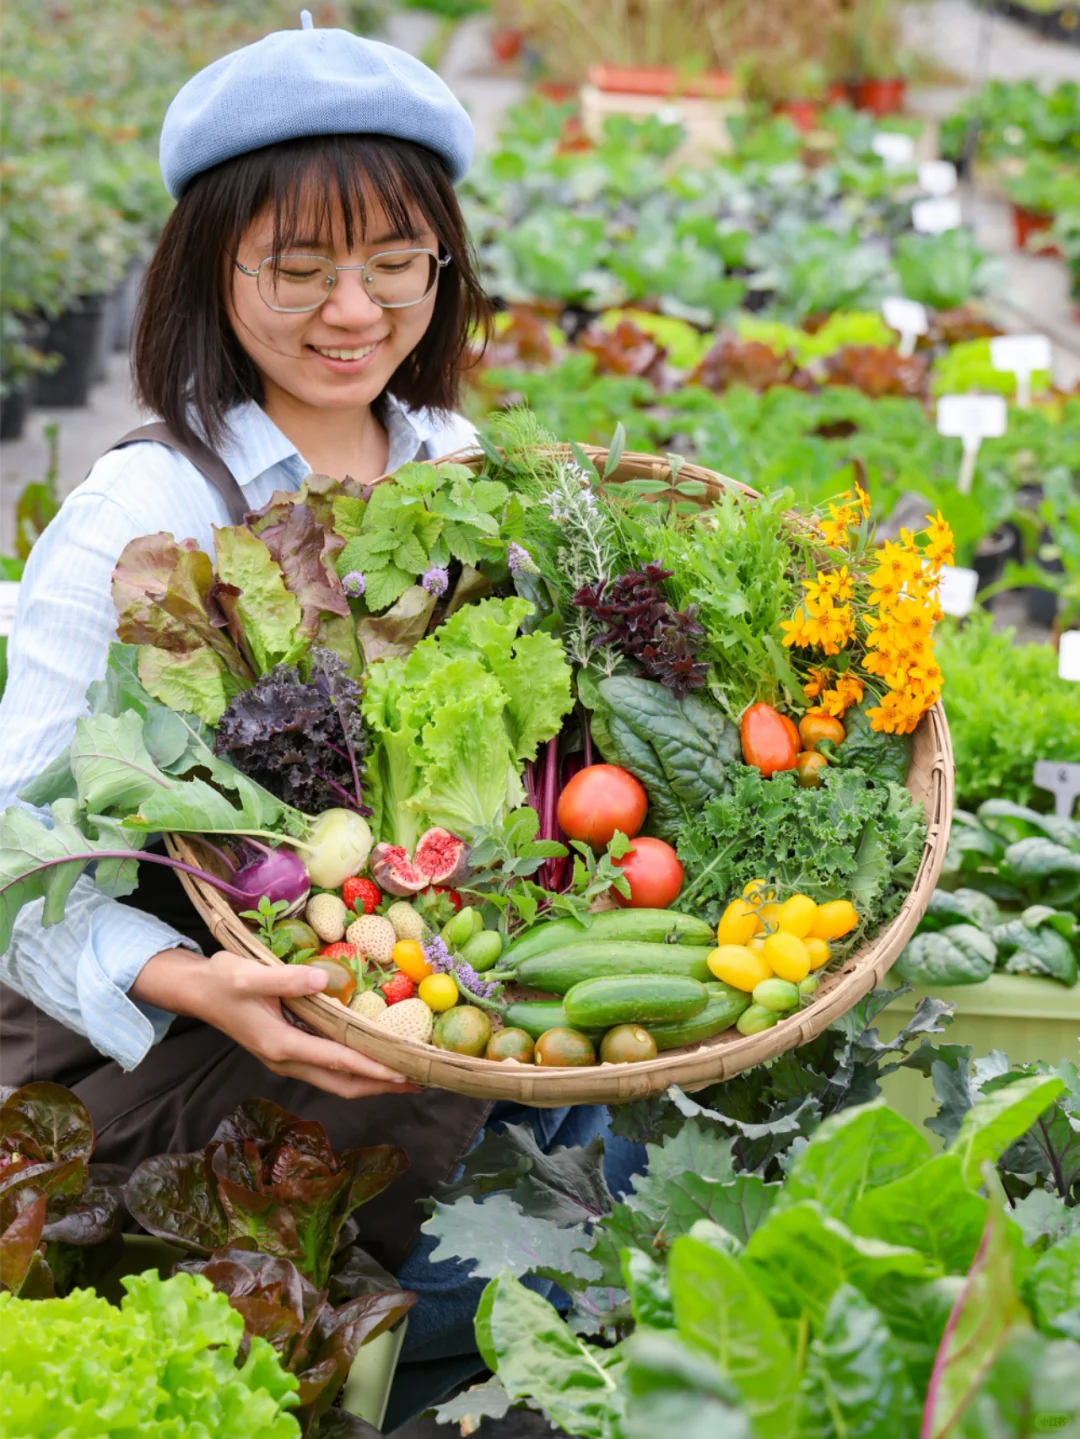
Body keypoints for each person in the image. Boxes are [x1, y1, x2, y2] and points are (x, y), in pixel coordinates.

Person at [0, 12, 643, 1421]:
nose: (354, 308)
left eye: (394, 260)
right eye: (298, 266)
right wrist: (187, 980)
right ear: (208, 271)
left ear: (443, 262)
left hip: (444, 1039)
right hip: (192, 1092)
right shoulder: (145, 509)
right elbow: (13, 859)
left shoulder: (456, 466)